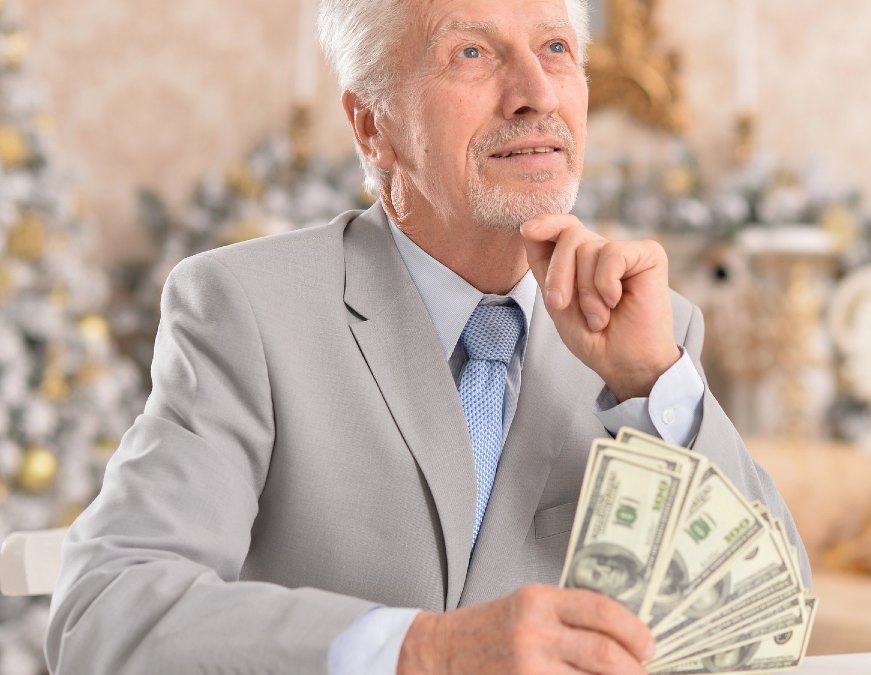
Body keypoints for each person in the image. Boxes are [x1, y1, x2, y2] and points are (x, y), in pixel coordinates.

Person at [44, 0, 810, 673]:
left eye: (556, 50)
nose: (535, 94)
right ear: (373, 126)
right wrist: (422, 653)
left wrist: (653, 378)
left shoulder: (655, 328)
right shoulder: (248, 306)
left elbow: (772, 616)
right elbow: (105, 611)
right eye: (471, 53)